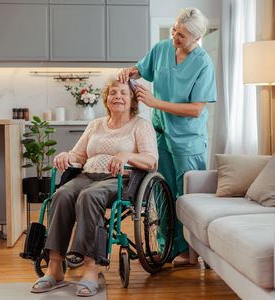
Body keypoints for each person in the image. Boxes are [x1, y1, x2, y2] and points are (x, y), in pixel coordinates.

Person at [30, 79, 158, 296]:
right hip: (88, 174)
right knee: (61, 195)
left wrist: (126, 155)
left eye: (124, 93)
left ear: (133, 100)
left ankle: (91, 268)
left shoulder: (141, 125)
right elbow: (78, 155)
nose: (117, 96)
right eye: (113, 93)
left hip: (120, 179)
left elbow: (151, 161)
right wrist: (66, 156)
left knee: (89, 196)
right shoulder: (95, 125)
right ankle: (54, 267)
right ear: (106, 99)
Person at [118, 7, 216, 266]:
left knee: (186, 196)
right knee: (162, 192)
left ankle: (191, 252)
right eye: (174, 30)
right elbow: (140, 69)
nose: (175, 37)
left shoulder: (203, 63)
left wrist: (154, 102)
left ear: (196, 37)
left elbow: (196, 109)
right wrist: (127, 73)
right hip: (161, 133)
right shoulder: (162, 49)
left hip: (188, 139)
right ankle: (168, 246)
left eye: (181, 35)